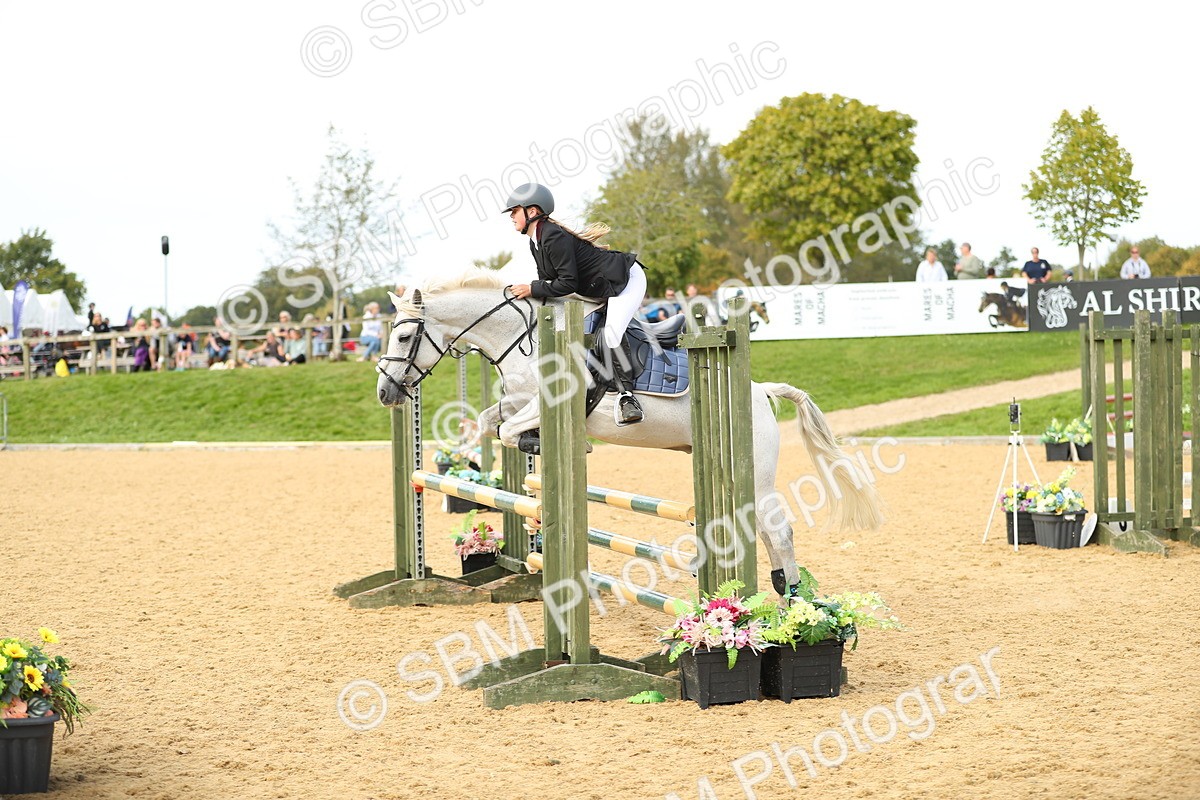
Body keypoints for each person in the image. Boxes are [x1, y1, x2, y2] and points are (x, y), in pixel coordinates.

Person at [503, 182, 647, 429]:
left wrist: (532, 288)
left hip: (625, 281)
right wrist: (531, 292)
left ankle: (627, 398)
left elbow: (567, 283)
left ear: (533, 211)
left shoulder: (553, 235)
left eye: (515, 211)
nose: (511, 217)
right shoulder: (535, 241)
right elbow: (549, 283)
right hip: (598, 287)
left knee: (611, 334)